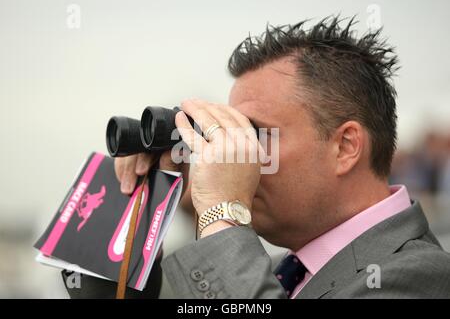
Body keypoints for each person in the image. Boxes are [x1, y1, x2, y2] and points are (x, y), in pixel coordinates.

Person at [63, 16, 450, 299]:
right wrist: (134, 216)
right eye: (233, 134)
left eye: (255, 136)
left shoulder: (418, 275)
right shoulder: (282, 271)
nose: (239, 158)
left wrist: (220, 213)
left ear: (345, 146)